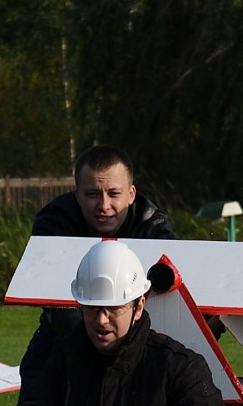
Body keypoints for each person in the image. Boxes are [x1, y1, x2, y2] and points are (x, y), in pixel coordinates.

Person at [0, 241, 232, 406]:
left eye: (114, 309)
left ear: (139, 306)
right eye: (92, 309)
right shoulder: (65, 359)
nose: (101, 320)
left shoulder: (179, 367)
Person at [21, 146, 176, 383]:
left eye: (114, 194)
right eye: (92, 194)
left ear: (131, 194)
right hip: (67, 331)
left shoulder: (153, 228)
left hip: (138, 336)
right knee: (37, 370)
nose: (104, 205)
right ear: (77, 195)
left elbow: (166, 308)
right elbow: (56, 307)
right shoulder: (53, 223)